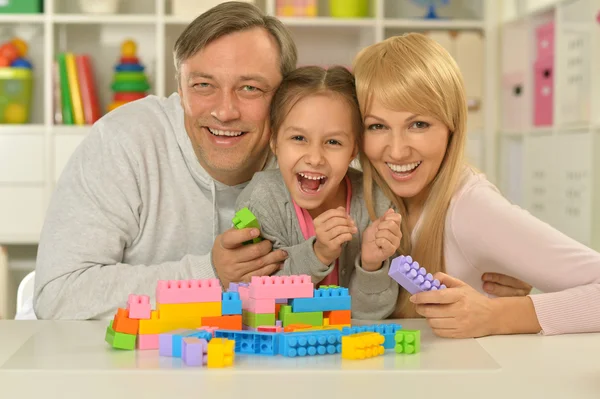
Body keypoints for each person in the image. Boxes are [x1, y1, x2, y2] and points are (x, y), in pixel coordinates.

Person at [33, 2, 294, 319]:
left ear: (286, 98)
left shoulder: (307, 155)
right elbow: (59, 294)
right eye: (203, 85)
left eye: (250, 88)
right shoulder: (122, 142)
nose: (225, 111)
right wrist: (209, 275)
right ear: (181, 90)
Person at [353, 33, 600, 337]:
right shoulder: (364, 196)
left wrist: (496, 316)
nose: (397, 150)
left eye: (418, 124)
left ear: (451, 125)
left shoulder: (469, 208)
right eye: (377, 126)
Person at [234, 65, 402, 319]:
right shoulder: (260, 201)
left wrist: (371, 264)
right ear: (274, 140)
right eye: (299, 138)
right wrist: (318, 254)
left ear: (353, 150)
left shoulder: (374, 201)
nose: (314, 158)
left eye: (333, 142)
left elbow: (370, 314)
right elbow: (257, 303)